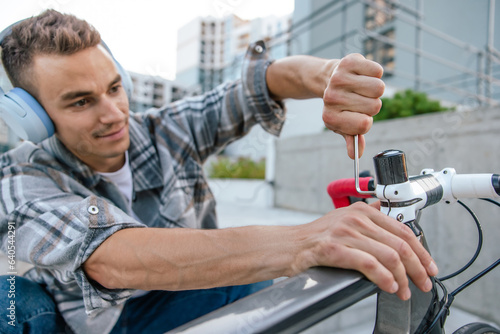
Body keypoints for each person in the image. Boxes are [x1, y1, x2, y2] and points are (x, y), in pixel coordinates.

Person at [0, 9, 438, 334]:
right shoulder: (20, 178)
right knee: (11, 303)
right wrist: (306, 240)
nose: (113, 113)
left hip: (171, 305)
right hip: (80, 324)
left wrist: (328, 74)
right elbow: (113, 259)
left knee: (249, 272)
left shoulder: (164, 129)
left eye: (115, 88)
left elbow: (259, 85)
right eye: (81, 101)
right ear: (32, 117)